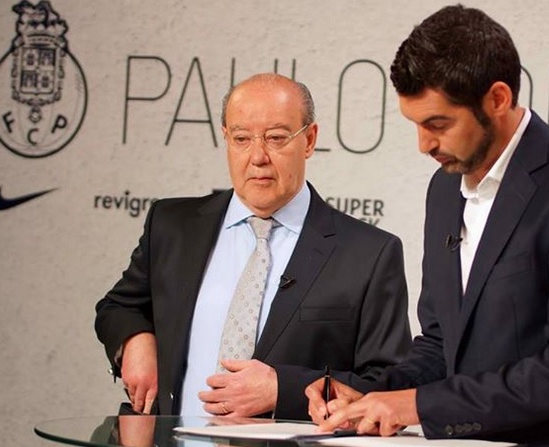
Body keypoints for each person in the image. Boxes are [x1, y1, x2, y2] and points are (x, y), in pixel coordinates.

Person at [306, 5, 549, 446]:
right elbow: (441, 345)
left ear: (498, 99)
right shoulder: (444, 188)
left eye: (438, 124)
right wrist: (374, 395)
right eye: (416, 124)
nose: (424, 144)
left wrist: (417, 406)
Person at [95, 73, 412, 420]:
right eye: (242, 139)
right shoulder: (172, 225)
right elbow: (119, 307)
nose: (258, 157)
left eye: (276, 138)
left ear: (309, 140)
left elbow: (388, 385)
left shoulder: (369, 254)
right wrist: (134, 340)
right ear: (226, 138)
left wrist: (283, 390)